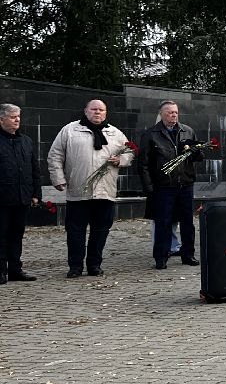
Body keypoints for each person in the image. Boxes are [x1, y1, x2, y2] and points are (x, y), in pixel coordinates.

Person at [47, 98, 134, 277]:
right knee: (75, 231)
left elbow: (130, 152)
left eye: (101, 110)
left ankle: (94, 265)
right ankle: (75, 266)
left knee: (100, 230)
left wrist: (121, 160)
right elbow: (55, 154)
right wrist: (58, 178)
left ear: (106, 113)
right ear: (85, 111)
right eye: (94, 109)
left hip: (105, 191)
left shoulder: (115, 133)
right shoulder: (70, 130)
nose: (97, 112)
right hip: (78, 191)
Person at [137, 100, 202, 270]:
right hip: (163, 186)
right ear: (161, 114)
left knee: (188, 222)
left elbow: (197, 157)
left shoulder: (187, 131)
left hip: (185, 184)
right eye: (169, 112)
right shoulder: (151, 134)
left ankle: (188, 254)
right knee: (163, 223)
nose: (173, 115)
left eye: (175, 112)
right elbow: (143, 164)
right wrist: (149, 188)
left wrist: (196, 152)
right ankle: (161, 256)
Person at [0, 102, 42, 283]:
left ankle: (15, 269)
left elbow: (34, 168)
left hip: (22, 196)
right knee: (1, 236)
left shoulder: (26, 140)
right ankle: (1, 271)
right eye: (12, 116)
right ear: (1, 119)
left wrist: (35, 193)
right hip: (1, 198)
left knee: (16, 235)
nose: (17, 119)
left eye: (18, 116)